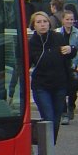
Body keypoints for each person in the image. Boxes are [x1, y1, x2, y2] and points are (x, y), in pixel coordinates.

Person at [27, 10, 73, 143]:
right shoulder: (32, 42)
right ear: (33, 25)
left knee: (57, 118)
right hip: (41, 86)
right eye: (39, 22)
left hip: (59, 85)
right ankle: (46, 150)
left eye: (45, 21)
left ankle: (49, 148)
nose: (43, 25)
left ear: (49, 23)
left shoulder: (57, 37)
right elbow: (25, 64)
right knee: (48, 118)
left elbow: (68, 55)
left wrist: (71, 49)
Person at [56, 10, 78, 124]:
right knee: (61, 89)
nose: (70, 21)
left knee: (73, 89)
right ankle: (64, 114)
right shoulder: (57, 32)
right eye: (67, 19)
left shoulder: (77, 33)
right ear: (63, 20)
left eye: (71, 19)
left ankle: (71, 106)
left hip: (73, 65)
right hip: (61, 66)